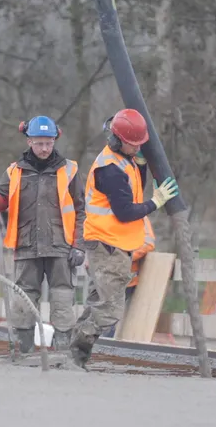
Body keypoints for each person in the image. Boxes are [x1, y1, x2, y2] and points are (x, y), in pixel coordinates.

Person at [68, 109, 179, 368]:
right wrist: (156, 202)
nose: (138, 148)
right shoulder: (110, 170)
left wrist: (141, 164)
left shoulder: (122, 159)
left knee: (98, 305)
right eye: (134, 144)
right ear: (118, 140)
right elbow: (126, 211)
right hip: (107, 245)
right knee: (110, 310)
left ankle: (71, 354)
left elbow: (133, 189)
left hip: (112, 244)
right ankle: (75, 353)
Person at [0, 116, 85, 353]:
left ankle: (62, 352)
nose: (45, 148)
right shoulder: (14, 172)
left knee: (62, 298)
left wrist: (79, 245)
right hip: (26, 246)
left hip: (61, 246)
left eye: (49, 143)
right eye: (39, 143)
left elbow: (81, 211)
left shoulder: (69, 170)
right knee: (23, 299)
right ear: (29, 141)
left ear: (55, 140)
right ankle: (23, 350)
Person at [102, 215, 155, 338]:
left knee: (109, 316)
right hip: (103, 274)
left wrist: (123, 259)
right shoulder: (105, 213)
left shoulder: (140, 216)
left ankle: (103, 345)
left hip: (124, 278)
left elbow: (148, 243)